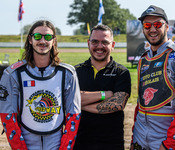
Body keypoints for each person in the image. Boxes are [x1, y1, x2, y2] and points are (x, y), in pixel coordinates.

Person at [0, 20, 81, 150]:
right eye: (37, 36)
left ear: (54, 41)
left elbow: (74, 115)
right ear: (30, 39)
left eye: (48, 37)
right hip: (26, 144)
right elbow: (8, 116)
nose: (42, 41)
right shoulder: (12, 74)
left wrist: (65, 148)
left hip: (56, 144)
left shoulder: (68, 73)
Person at [130, 5, 175, 150]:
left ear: (167, 27)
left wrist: (169, 144)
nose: (152, 29)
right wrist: (133, 139)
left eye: (158, 24)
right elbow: (141, 103)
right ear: (143, 28)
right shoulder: (144, 59)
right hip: (140, 140)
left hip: (164, 141)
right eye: (147, 25)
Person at [73, 24, 131, 150]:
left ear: (113, 45)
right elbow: (67, 101)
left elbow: (118, 104)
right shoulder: (75, 72)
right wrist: (104, 94)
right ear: (88, 43)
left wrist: (79, 102)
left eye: (105, 42)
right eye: (95, 42)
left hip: (111, 143)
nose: (99, 46)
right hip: (80, 142)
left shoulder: (122, 72)